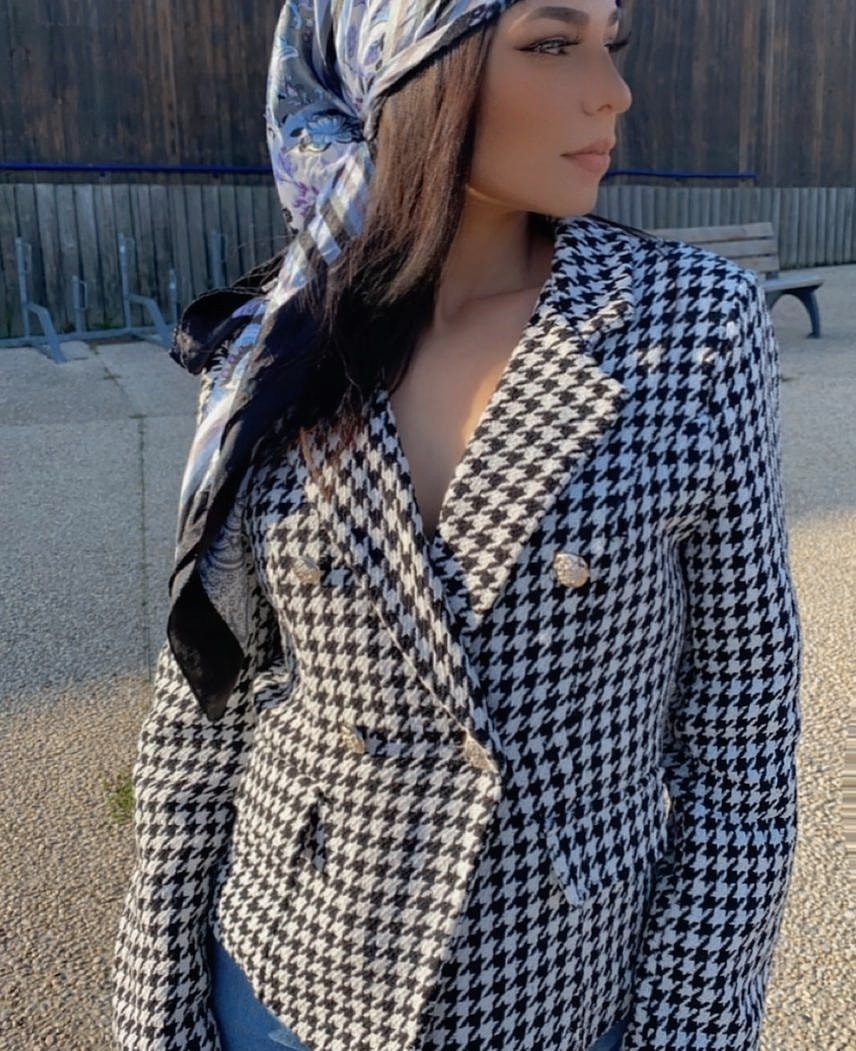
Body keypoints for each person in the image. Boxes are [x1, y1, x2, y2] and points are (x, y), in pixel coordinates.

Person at [112, 0, 802, 1048]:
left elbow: (740, 742)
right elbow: (204, 706)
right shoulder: (279, 344)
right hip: (281, 979)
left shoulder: (692, 329)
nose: (613, 92)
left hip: (554, 991)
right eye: (551, 43)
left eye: (608, 43)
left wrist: (687, 1029)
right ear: (406, 70)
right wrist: (159, 1009)